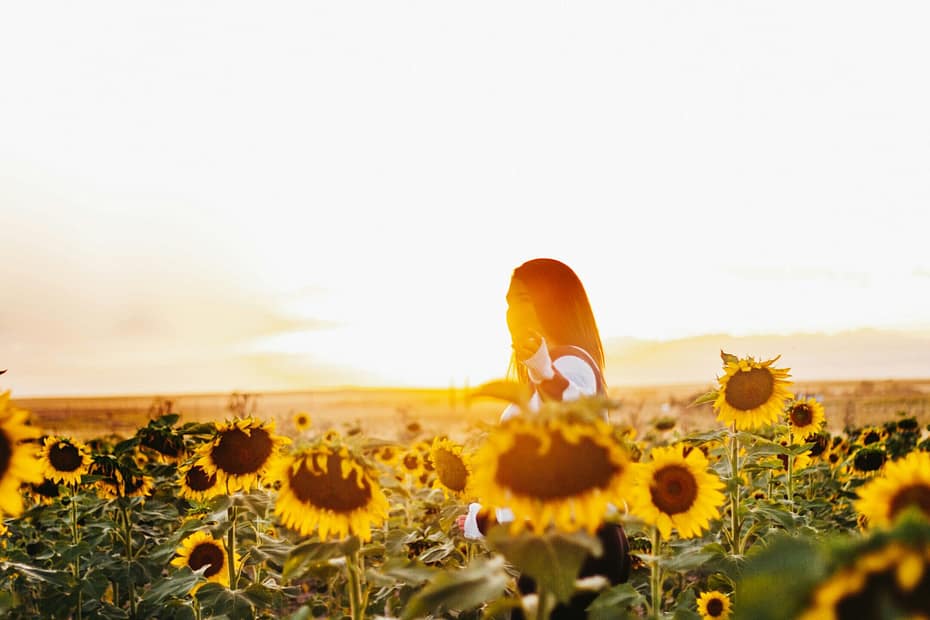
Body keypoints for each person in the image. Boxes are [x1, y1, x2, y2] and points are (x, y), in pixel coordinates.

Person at [456, 258, 631, 619]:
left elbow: (566, 418)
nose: (511, 312)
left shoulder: (570, 364)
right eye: (508, 303)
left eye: (522, 299)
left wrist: (540, 367)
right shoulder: (556, 365)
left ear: (552, 302)